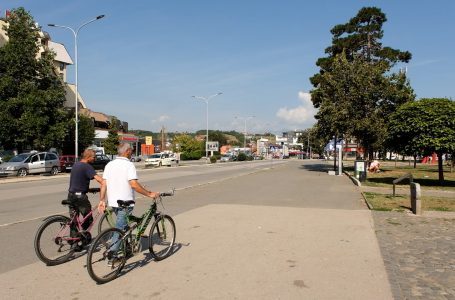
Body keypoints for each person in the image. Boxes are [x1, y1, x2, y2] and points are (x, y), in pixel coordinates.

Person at [98, 143, 159, 260]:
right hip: (126, 203)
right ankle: (112, 254)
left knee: (123, 226)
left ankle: (126, 249)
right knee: (120, 228)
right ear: (127, 151)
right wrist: (149, 193)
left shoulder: (109, 164)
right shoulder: (129, 165)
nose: (132, 152)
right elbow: (134, 184)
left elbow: (104, 184)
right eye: (131, 150)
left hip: (113, 202)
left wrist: (102, 200)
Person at [67, 148, 103, 247]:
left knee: (74, 219)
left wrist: (90, 190)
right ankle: (82, 236)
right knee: (88, 218)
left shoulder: (76, 165)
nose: (94, 159)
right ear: (88, 157)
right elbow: (100, 180)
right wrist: (107, 185)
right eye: (94, 157)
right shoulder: (87, 167)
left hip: (71, 195)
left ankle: (73, 242)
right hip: (80, 197)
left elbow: (78, 182)